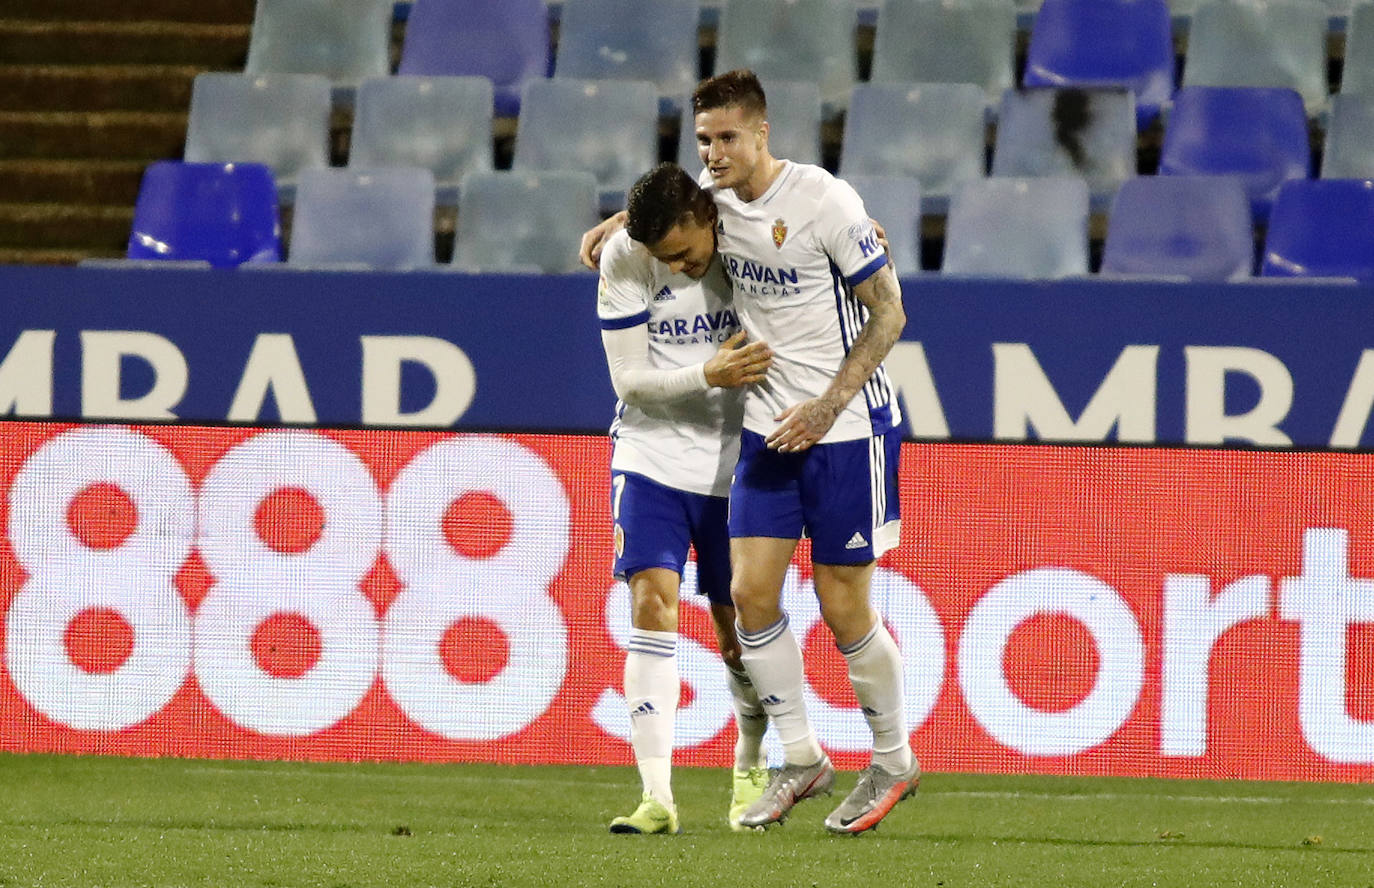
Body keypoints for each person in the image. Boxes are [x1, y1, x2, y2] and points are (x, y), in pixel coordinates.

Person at [582, 69, 917, 835]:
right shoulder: (712, 202)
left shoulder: (824, 202)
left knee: (843, 605)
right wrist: (611, 225)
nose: (716, 152)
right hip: (766, 432)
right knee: (753, 597)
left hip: (847, 428)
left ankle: (895, 759)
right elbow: (674, 205)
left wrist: (830, 401)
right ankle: (801, 757)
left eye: (728, 137)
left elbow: (892, 312)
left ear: (763, 131)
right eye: (704, 140)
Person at [598, 162, 778, 835]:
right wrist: (709, 371)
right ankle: (656, 798)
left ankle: (750, 766)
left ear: (706, 220)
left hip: (740, 460)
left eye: (685, 252)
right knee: (650, 596)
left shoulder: (750, 240)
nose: (677, 267)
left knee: (740, 632)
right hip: (651, 455)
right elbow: (629, 383)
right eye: (663, 258)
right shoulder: (625, 256)